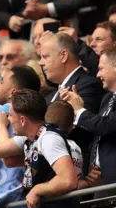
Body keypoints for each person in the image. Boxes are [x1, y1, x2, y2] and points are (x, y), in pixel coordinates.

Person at [39, 33, 105, 171]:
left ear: (63, 55)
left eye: (45, 56)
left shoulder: (88, 85)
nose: (40, 63)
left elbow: (81, 130)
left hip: (74, 171)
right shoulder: (49, 95)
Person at [62, 47, 116, 191]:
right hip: (101, 183)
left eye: (101, 68)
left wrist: (79, 109)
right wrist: (94, 168)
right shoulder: (107, 98)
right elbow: (99, 135)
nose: (97, 74)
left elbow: (108, 126)